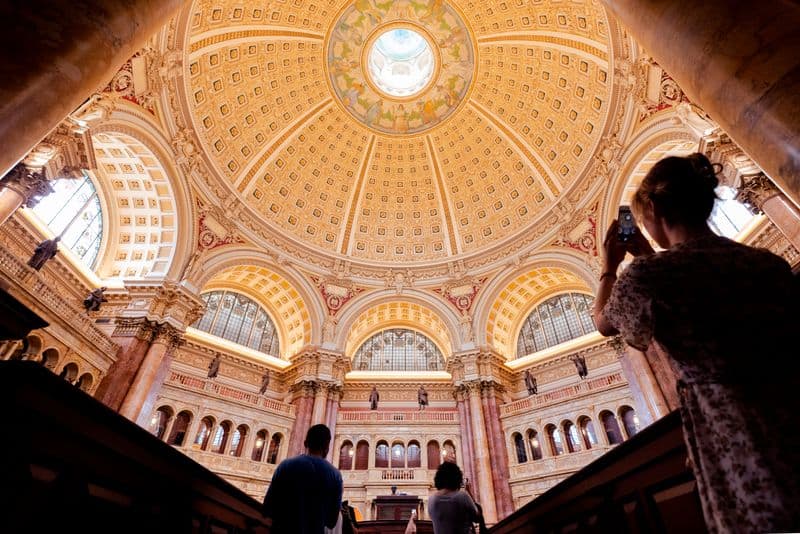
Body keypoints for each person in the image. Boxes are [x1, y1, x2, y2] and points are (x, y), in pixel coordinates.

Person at [593, 153, 800, 533]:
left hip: (731, 429)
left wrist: (609, 264)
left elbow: (605, 322)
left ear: (653, 209)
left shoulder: (648, 275)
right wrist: (647, 256)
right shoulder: (765, 263)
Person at [263, 424, 343, 534]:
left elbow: (268, 508)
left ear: (305, 443)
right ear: (327, 447)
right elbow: (331, 521)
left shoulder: (285, 466)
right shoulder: (335, 475)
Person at [428, 462, 482, 534]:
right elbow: (477, 518)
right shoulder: (462, 496)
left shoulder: (431, 500)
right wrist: (469, 492)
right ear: (456, 478)